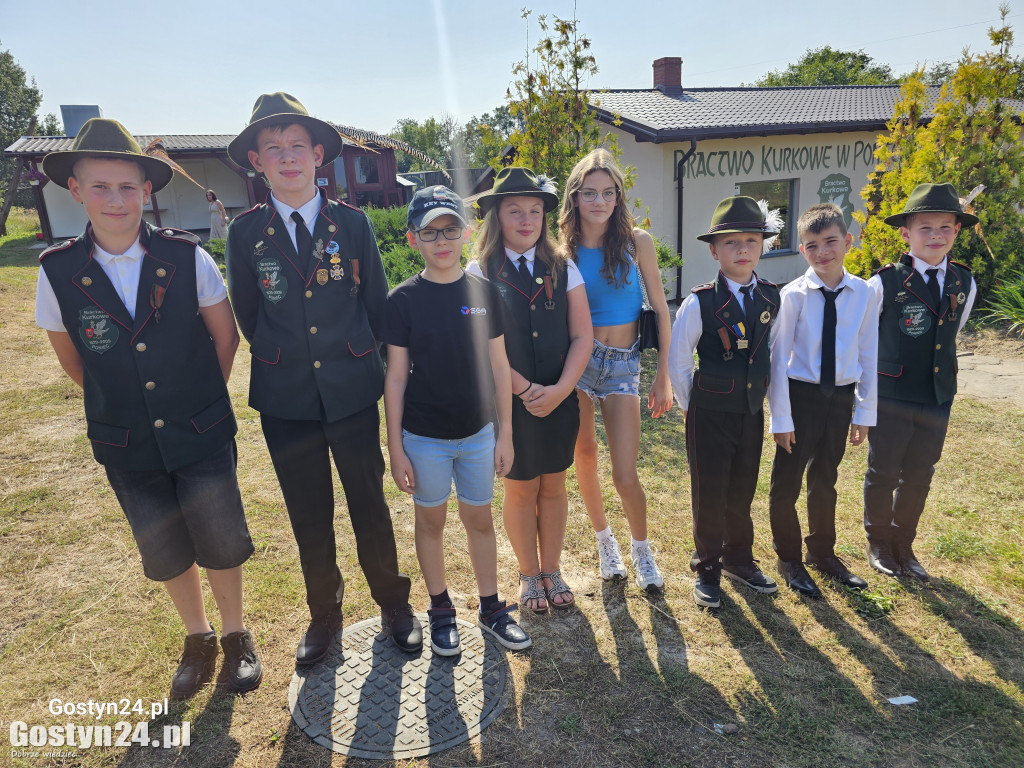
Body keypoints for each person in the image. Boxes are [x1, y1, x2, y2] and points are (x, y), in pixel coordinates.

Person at [34, 118, 261, 699]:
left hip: (201, 428)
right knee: (163, 545)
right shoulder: (57, 272)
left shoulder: (187, 258)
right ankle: (199, 637)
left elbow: (225, 338)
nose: (116, 199)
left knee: (220, 536)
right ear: (76, 190)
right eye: (101, 186)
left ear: (147, 191)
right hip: (126, 439)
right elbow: (75, 361)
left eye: (128, 187)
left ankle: (236, 634)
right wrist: (127, 405)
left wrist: (201, 399)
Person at [224, 92, 418, 662]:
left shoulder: (351, 225)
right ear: (257, 161)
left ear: (317, 156)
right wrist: (294, 361)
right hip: (287, 399)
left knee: (368, 504)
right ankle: (324, 614)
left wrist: (356, 364)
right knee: (308, 511)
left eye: (297, 147)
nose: (287, 158)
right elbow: (252, 317)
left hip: (354, 390)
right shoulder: (244, 234)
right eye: (273, 149)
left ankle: (392, 602)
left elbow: (377, 307)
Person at [382, 185, 531, 654]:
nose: (442, 241)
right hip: (424, 438)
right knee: (430, 523)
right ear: (413, 239)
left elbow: (501, 367)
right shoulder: (402, 300)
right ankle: (441, 610)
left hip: (478, 434)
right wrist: (396, 448)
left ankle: (491, 609)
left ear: (465, 233)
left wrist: (505, 434)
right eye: (430, 233)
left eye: (450, 230)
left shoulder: (484, 293)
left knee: (479, 520)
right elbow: (396, 378)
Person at [467, 167, 593, 613]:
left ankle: (551, 569)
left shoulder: (563, 266)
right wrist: (525, 390)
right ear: (496, 217)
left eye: (535, 211)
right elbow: (479, 346)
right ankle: (527, 573)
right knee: (521, 489)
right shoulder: (478, 271)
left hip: (559, 400)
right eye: (514, 211)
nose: (526, 220)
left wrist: (560, 389)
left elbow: (583, 336)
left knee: (555, 486)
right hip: (510, 404)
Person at [558, 149, 673, 591]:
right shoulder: (562, 249)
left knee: (626, 473)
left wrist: (662, 376)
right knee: (583, 454)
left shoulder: (635, 242)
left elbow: (661, 311)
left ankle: (641, 549)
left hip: (624, 366)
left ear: (619, 197)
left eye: (608, 192)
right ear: (575, 196)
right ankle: (605, 542)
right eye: (590, 193)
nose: (599, 201)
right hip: (579, 364)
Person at [668, 196, 782, 609]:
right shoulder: (700, 302)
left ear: (763, 246)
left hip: (749, 411)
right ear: (714, 251)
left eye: (752, 240)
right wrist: (689, 404)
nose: (742, 250)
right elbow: (679, 360)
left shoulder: (772, 298)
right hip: (709, 413)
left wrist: (776, 414)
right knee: (710, 492)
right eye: (731, 243)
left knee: (742, 489)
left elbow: (773, 359)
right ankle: (709, 567)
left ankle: (738, 559)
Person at [863, 183, 977, 582]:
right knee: (884, 471)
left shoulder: (964, 282)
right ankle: (878, 542)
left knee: (921, 471)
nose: (935, 235)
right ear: (905, 234)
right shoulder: (884, 283)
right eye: (925, 227)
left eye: (945, 227)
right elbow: (866, 338)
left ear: (957, 232)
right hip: (892, 394)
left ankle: (903, 542)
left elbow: (952, 332)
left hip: (936, 395)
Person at [767, 203, 876, 596]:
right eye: (812, 245)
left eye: (831, 241)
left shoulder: (864, 292)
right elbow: (777, 361)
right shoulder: (792, 296)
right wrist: (781, 418)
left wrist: (863, 411)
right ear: (801, 250)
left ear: (848, 241)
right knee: (787, 483)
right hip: (800, 396)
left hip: (840, 397)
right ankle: (789, 557)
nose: (822, 252)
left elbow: (867, 353)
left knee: (825, 479)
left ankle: (822, 552)